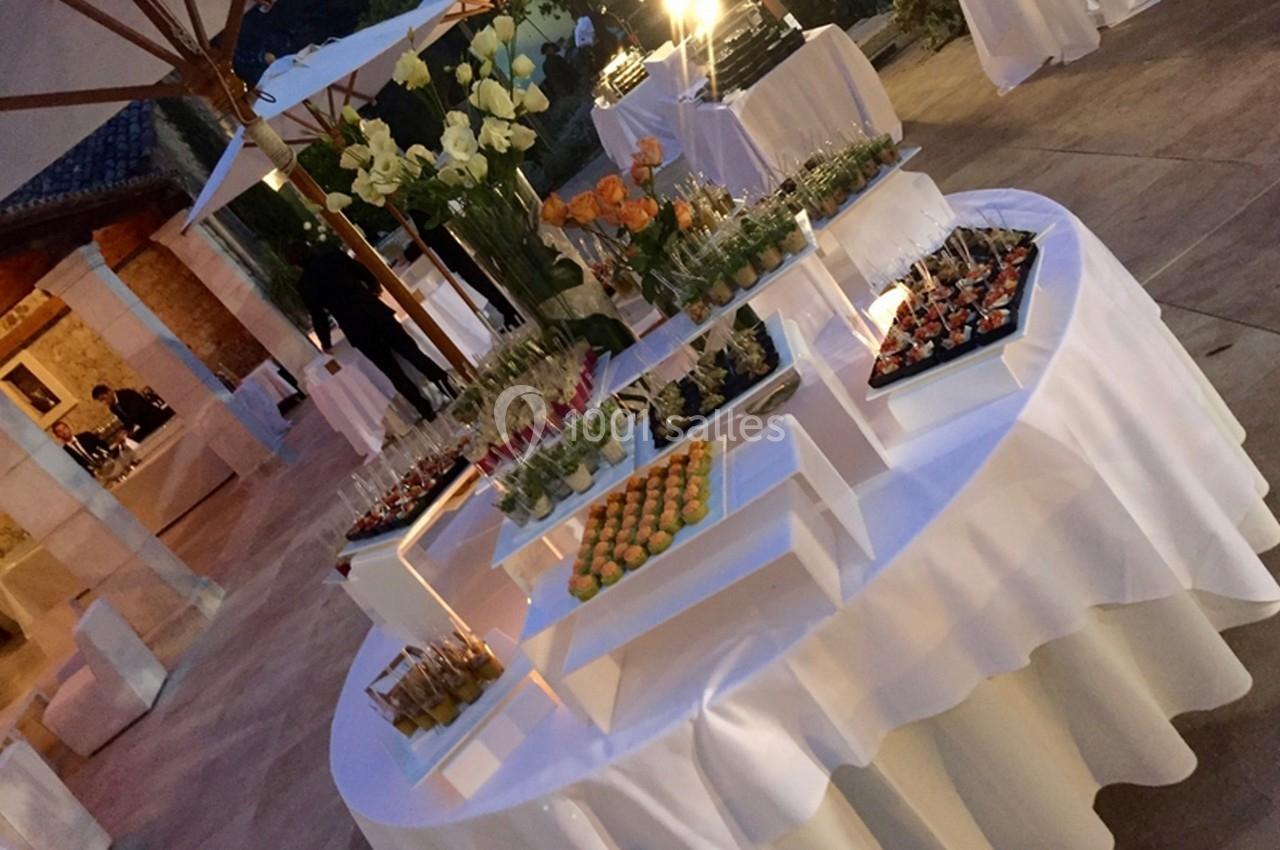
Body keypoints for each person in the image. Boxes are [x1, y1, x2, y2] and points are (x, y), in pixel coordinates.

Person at [291, 244, 454, 421]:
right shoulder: (334, 256)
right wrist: (373, 287)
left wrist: (325, 342)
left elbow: (319, 316)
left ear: (296, 265)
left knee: (392, 371)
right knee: (412, 352)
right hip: (374, 311)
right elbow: (362, 271)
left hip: (356, 328)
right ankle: (446, 385)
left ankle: (425, 409)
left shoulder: (305, 285)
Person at [404, 212, 524, 331]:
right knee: (486, 286)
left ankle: (512, 314)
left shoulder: (420, 215)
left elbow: (427, 237)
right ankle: (510, 314)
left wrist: (409, 253)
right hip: (461, 254)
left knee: (486, 286)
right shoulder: (422, 213)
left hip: (459, 256)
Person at [91, 384, 173, 441]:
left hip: (156, 418)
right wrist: (126, 432)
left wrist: (125, 430)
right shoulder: (113, 408)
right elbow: (125, 420)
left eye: (104, 398)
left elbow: (135, 412)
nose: (105, 402)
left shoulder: (127, 394)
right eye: (101, 401)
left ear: (109, 392)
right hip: (145, 426)